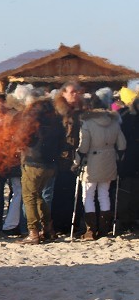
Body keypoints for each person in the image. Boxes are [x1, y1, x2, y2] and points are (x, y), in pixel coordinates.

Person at [75, 96, 126, 240]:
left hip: (92, 161)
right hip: (109, 160)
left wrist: (77, 161)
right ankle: (104, 228)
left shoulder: (87, 123)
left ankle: (91, 230)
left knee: (88, 195)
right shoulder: (114, 122)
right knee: (104, 194)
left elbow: (83, 147)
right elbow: (122, 145)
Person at [19, 97, 65, 244]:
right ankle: (48, 229)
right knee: (38, 196)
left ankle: (33, 232)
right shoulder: (57, 123)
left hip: (33, 163)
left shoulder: (33, 121)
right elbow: (62, 144)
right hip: (50, 165)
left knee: (29, 197)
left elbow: (22, 139)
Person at [52, 81, 84, 235]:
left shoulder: (82, 111)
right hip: (61, 158)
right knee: (60, 193)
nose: (75, 95)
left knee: (75, 193)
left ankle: (75, 224)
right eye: (72, 92)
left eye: (77, 92)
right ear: (63, 93)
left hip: (78, 157)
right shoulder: (57, 112)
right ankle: (58, 225)